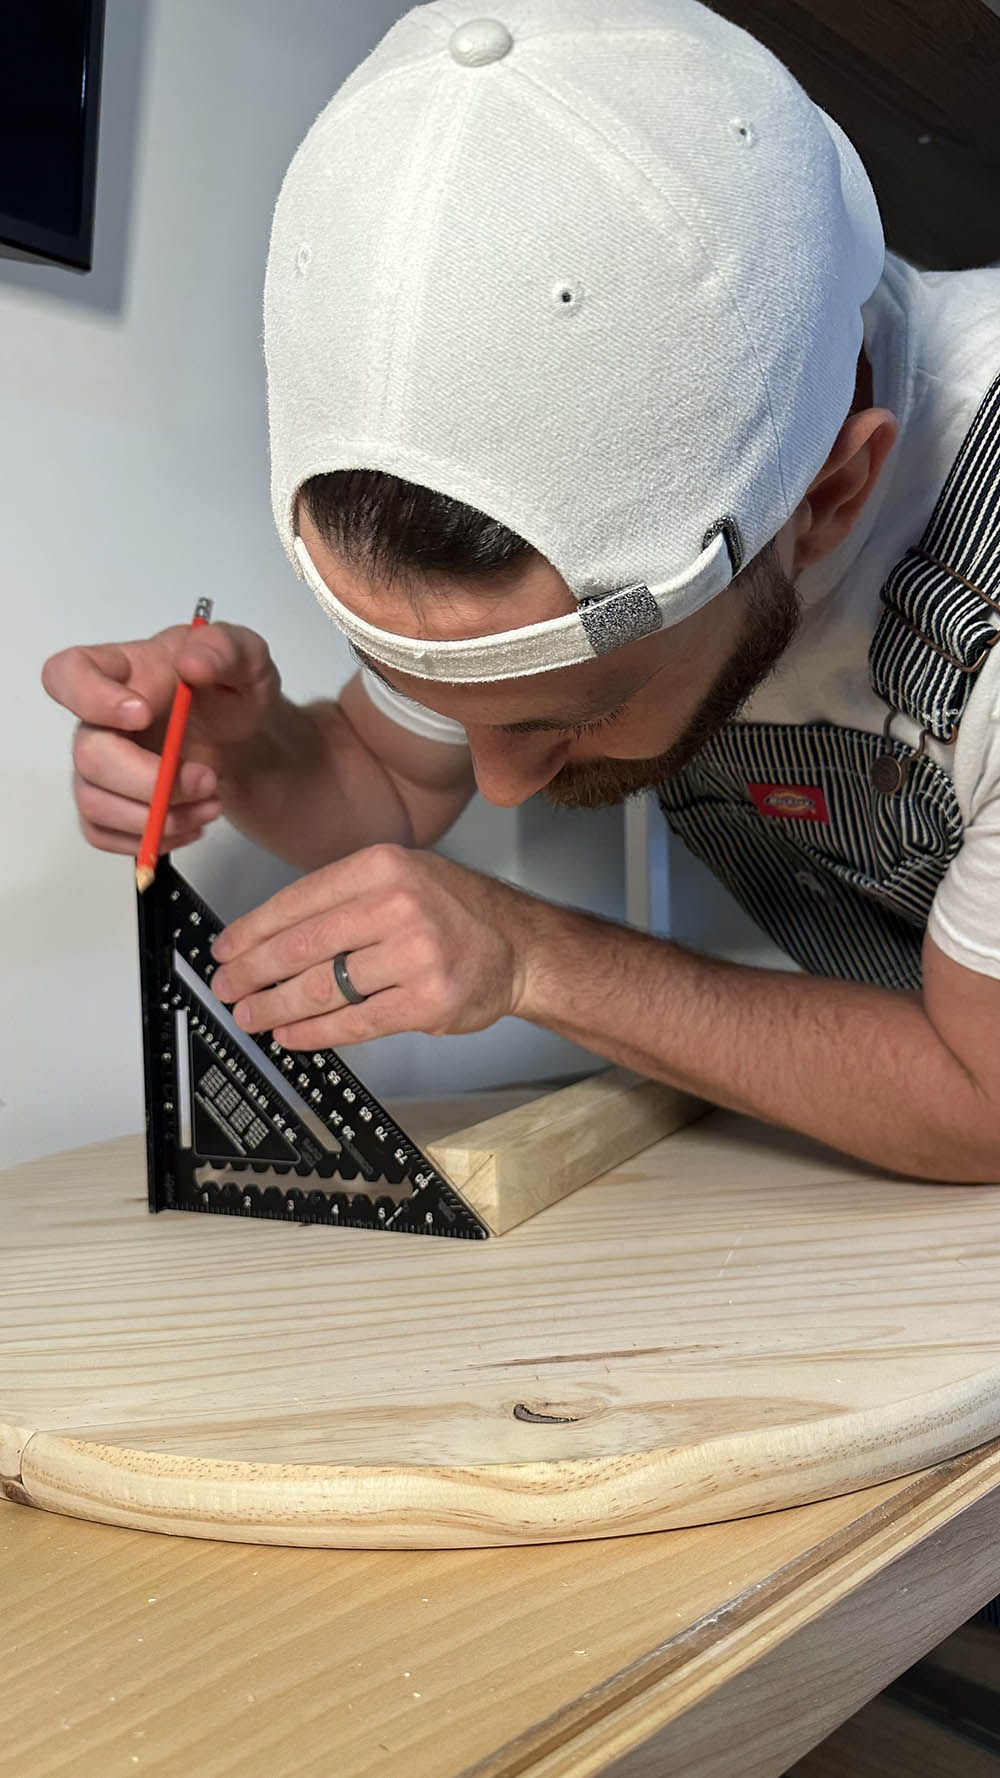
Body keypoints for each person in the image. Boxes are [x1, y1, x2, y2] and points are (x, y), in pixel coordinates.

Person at [42, 0, 1000, 1188]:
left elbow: (986, 1103)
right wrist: (256, 749)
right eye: (441, 687)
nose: (498, 781)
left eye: (574, 711)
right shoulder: (576, 548)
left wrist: (534, 957)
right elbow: (389, 782)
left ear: (830, 494)